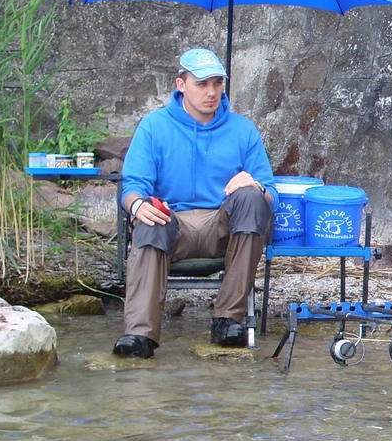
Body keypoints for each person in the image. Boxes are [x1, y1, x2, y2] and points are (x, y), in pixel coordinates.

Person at [112, 48, 276, 358]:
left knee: (253, 199)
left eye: (217, 83)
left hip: (223, 227)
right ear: (181, 84)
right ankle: (139, 335)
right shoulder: (153, 126)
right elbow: (132, 185)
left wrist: (255, 185)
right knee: (149, 217)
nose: (211, 92)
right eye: (202, 84)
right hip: (173, 226)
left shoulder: (243, 130)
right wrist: (136, 206)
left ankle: (228, 320)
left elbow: (272, 194)